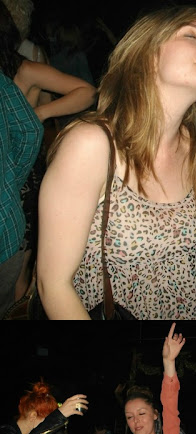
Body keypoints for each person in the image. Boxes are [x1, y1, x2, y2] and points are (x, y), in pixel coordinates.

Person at [37, 6, 196, 320]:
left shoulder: (191, 143)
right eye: (190, 35)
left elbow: (191, 233)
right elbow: (54, 285)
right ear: (148, 57)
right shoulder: (92, 146)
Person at [0, 2, 97, 302]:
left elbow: (87, 91)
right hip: (16, 172)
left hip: (24, 172)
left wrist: (38, 114)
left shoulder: (23, 69)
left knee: (24, 262)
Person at [0, 71, 42, 318]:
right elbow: (30, 130)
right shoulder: (13, 74)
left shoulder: (27, 68)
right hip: (14, 188)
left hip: (20, 174)